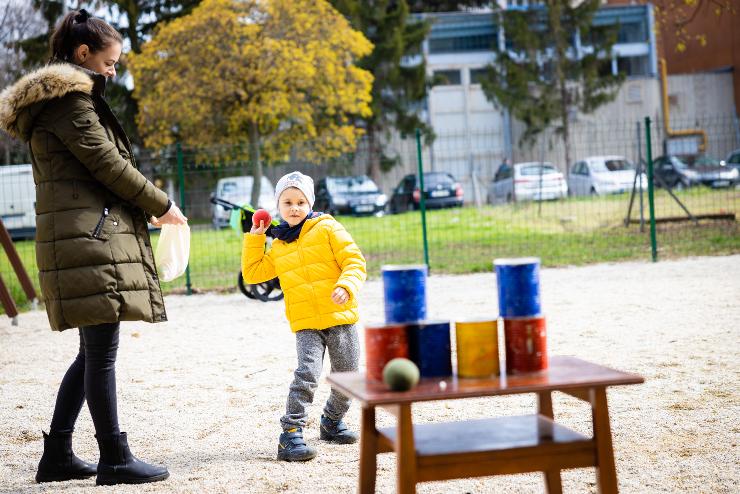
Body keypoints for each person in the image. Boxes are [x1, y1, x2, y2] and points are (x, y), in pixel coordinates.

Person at [0, 9, 187, 485]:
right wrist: (162, 204)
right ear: (83, 54)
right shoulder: (70, 103)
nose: (114, 70)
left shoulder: (65, 101)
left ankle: (58, 453)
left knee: (92, 352)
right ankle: (115, 458)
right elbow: (107, 164)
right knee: (101, 353)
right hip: (91, 238)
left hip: (86, 233)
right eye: (111, 61)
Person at [242, 171, 366, 462]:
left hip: (340, 317)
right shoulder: (279, 244)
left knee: (348, 376)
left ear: (310, 203)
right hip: (306, 323)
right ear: (278, 207)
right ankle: (291, 435)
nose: (294, 207)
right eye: (287, 202)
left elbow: (354, 261)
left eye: (300, 201)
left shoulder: (328, 228)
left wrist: (346, 285)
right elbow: (253, 273)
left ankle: (331, 422)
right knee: (306, 375)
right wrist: (255, 238)